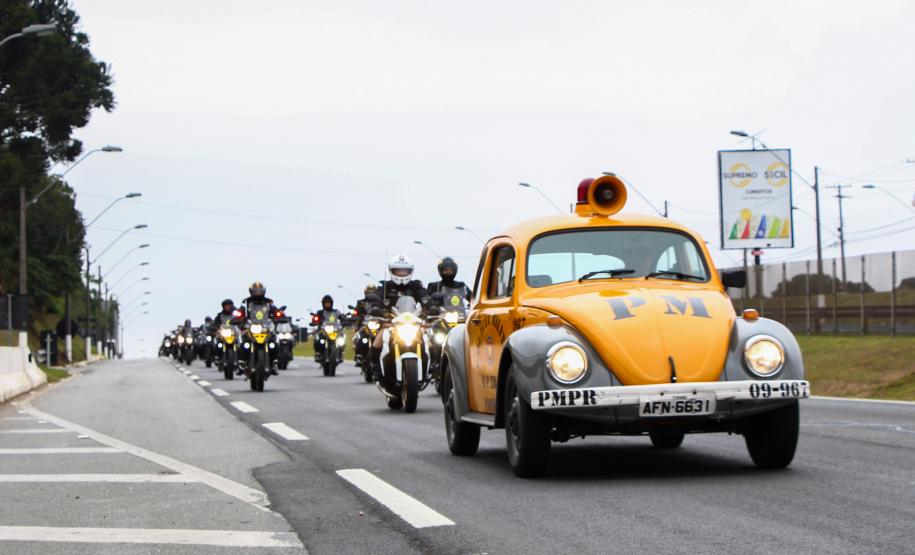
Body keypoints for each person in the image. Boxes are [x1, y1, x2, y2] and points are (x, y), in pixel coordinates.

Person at [371, 255, 430, 383]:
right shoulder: (385, 286)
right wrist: (376, 308)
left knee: (430, 342)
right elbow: (377, 297)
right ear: (392, 271)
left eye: (405, 271)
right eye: (399, 271)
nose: (402, 273)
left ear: (410, 272)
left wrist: (430, 306)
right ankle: (375, 369)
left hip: (412, 323)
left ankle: (432, 368)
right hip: (391, 323)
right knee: (378, 341)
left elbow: (425, 297)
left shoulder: (415, 286)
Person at [240, 281, 279, 375]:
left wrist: (279, 315)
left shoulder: (269, 302)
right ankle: (242, 363)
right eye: (256, 291)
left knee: (274, 343)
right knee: (243, 343)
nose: (258, 292)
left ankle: (274, 363)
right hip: (251, 326)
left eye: (260, 290)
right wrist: (238, 317)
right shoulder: (245, 302)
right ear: (251, 291)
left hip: (266, 326)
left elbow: (275, 310)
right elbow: (240, 312)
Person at [313, 295, 343, 363]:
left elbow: (342, 317)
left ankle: (340, 354)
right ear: (323, 304)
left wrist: (345, 319)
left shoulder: (336, 312)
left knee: (342, 340)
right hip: (323, 330)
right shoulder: (320, 312)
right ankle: (318, 354)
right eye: (325, 303)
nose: (327, 304)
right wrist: (315, 321)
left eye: (328, 303)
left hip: (335, 330)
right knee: (317, 339)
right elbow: (316, 319)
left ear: (331, 303)